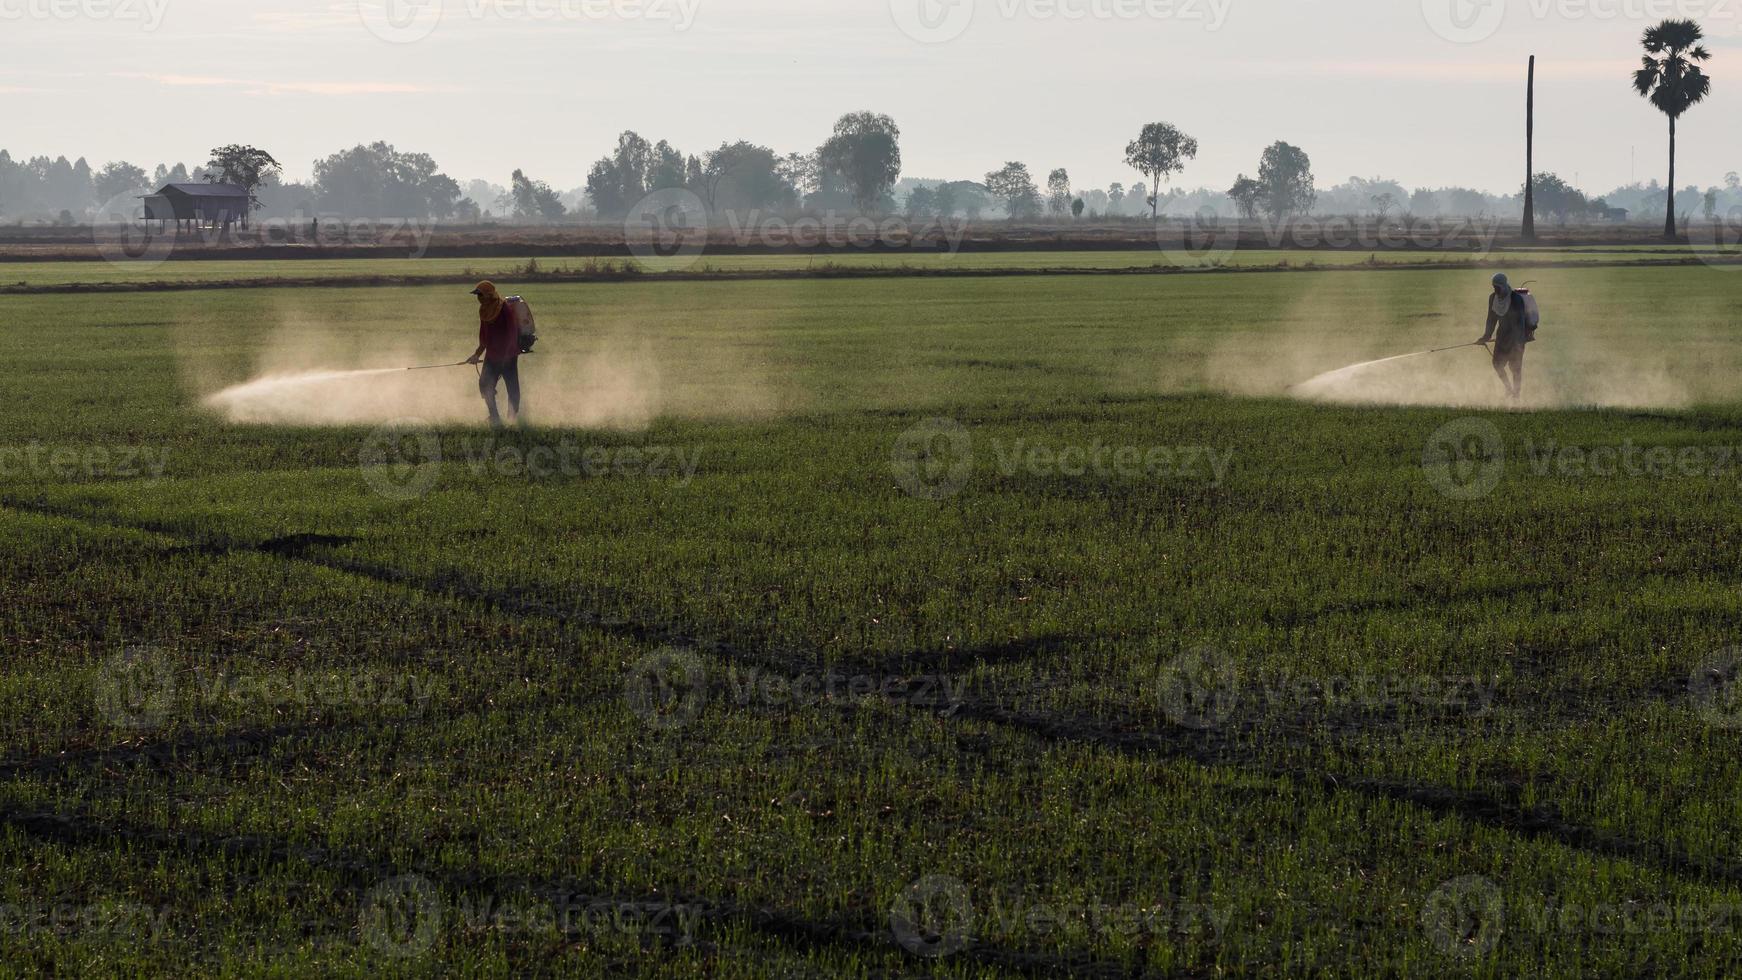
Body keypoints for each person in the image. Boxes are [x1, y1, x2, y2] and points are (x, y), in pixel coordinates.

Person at [465, 280, 523, 427]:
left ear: (489, 295)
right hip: (492, 356)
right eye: (477, 296)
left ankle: (512, 420)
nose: (479, 299)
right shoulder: (484, 311)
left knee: (512, 388)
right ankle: (495, 418)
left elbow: (512, 333)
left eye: (481, 295)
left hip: (508, 356)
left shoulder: (504, 309)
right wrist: (477, 355)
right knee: (484, 384)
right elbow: (484, 337)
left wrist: (506, 356)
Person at [1477, 272, 1532, 401]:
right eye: (1494, 287)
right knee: (1497, 364)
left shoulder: (1516, 299)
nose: (1495, 290)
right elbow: (1491, 319)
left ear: (1504, 285)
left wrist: (1518, 343)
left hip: (1516, 339)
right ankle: (1508, 389)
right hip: (1501, 336)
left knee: (1515, 368)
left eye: (1498, 287)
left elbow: (1520, 322)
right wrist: (1486, 336)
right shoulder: (1493, 298)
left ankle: (1516, 395)